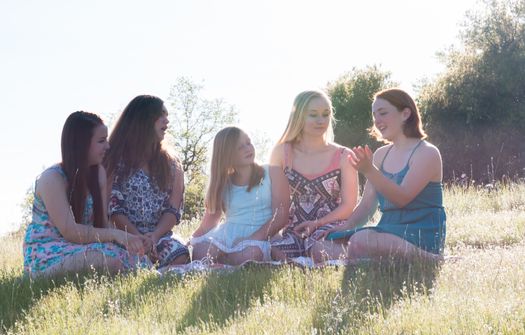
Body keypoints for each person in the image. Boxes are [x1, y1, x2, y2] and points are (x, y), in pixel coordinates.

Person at [313, 88, 446, 263]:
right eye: (375, 115)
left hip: (420, 232)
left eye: (383, 113)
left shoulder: (427, 153)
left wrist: (369, 170)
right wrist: (344, 227)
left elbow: (402, 198)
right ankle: (374, 259)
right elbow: (368, 204)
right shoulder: (382, 154)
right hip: (388, 229)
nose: (377, 121)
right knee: (320, 247)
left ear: (405, 113)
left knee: (361, 241)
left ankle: (430, 259)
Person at [23, 112, 148, 277]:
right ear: (81, 144)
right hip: (47, 254)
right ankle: (34, 277)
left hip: (82, 247)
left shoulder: (98, 174)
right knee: (107, 259)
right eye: (101, 141)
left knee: (137, 259)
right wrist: (117, 235)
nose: (107, 146)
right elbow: (70, 231)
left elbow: (102, 225)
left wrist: (133, 240)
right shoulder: (52, 178)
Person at [270, 90, 359, 261]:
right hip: (295, 229)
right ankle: (296, 268)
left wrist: (318, 224)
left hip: (330, 227)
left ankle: (363, 255)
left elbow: (348, 206)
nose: (321, 121)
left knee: (318, 250)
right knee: (272, 251)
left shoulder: (343, 155)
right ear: (298, 117)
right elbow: (278, 202)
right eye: (313, 115)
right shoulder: (281, 152)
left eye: (326, 115)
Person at [105, 95, 189, 267]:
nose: (167, 121)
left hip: (159, 237)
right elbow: (113, 208)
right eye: (161, 115)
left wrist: (154, 237)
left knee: (179, 255)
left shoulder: (172, 163)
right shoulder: (115, 160)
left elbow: (173, 210)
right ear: (143, 119)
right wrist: (136, 237)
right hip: (124, 237)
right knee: (126, 262)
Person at [190, 126, 289, 265]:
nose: (248, 148)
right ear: (226, 155)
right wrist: (193, 241)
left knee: (248, 255)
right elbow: (209, 221)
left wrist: (252, 240)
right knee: (200, 252)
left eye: (248, 143)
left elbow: (281, 215)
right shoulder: (223, 183)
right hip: (229, 235)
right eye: (240, 147)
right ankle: (226, 262)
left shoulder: (272, 172)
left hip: (263, 235)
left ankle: (226, 263)